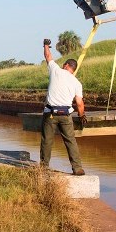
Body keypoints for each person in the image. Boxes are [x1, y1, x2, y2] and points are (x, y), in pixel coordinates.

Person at [40, 38, 87, 175]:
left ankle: (44, 167)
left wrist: (46, 45)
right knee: (70, 141)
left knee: (47, 141)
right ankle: (77, 168)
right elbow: (79, 103)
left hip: (50, 113)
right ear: (74, 69)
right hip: (66, 115)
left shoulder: (56, 71)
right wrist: (82, 115)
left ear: (66, 65)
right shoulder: (77, 82)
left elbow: (48, 56)